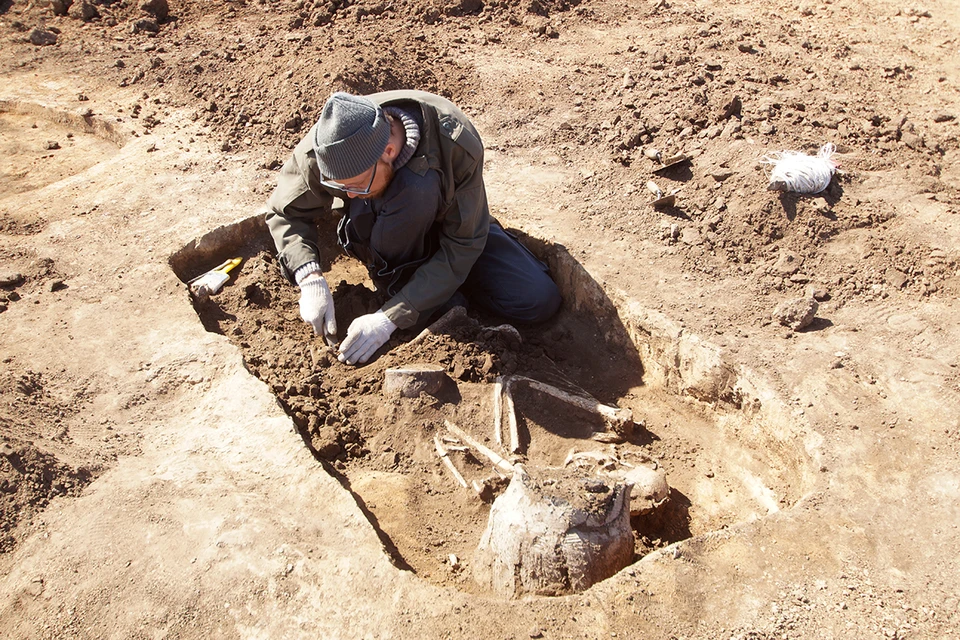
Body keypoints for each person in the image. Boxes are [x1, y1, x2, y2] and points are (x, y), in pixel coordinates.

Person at [264, 90, 561, 365]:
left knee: (538, 300)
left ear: (389, 150)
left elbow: (464, 242)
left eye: (356, 185)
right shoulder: (327, 150)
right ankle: (405, 280)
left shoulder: (455, 142)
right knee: (442, 306)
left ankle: (435, 283)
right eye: (341, 188)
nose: (349, 195)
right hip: (378, 223)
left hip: (446, 223)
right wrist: (309, 275)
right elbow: (284, 211)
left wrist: (386, 320)